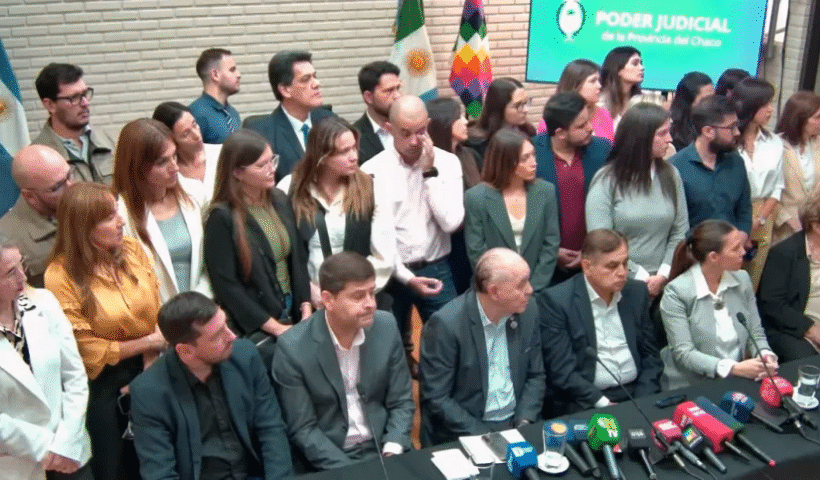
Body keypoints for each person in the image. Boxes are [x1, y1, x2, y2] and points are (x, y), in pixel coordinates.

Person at [44, 182, 166, 480]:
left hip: (155, 364)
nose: (121, 221)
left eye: (117, 211)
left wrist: (150, 362)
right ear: (84, 228)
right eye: (110, 217)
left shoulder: (132, 249)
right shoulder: (59, 275)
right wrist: (150, 342)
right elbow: (86, 350)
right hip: (104, 381)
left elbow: (157, 307)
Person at [272, 251, 414, 471]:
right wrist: (352, 473)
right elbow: (303, 429)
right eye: (358, 296)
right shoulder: (293, 348)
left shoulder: (385, 326)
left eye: (372, 293)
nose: (370, 304)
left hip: (385, 447)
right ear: (328, 300)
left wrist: (393, 448)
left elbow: (402, 401)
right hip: (331, 458)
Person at [130, 292, 294, 480]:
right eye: (218, 335)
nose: (232, 336)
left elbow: (271, 428)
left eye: (226, 324)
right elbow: (160, 473)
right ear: (186, 351)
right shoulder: (149, 392)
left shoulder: (244, 355)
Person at [360, 96, 463, 376]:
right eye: (405, 133)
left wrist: (429, 173)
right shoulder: (371, 171)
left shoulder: (448, 162)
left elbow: (451, 222)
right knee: (388, 350)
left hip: (436, 267)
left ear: (428, 124)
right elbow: (377, 236)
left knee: (451, 340)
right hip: (391, 273)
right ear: (388, 128)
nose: (415, 141)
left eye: (421, 131)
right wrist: (402, 275)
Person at [203, 129, 310, 365]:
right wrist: (275, 328)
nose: (272, 169)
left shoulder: (279, 199)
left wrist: (306, 307)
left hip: (293, 310)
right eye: (262, 165)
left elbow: (297, 258)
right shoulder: (222, 217)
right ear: (237, 172)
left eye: (273, 160)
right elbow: (227, 287)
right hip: (261, 321)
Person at [419, 248, 545, 446]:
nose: (530, 290)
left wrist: (524, 421)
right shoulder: (446, 324)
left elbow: (536, 375)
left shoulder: (529, 310)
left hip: (517, 422)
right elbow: (437, 397)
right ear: (494, 291)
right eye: (521, 284)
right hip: (468, 430)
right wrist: (489, 438)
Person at [540, 230, 662, 414]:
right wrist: (604, 403)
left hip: (637, 394)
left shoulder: (636, 292)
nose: (622, 272)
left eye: (625, 263)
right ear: (587, 267)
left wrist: (642, 400)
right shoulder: (557, 301)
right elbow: (562, 371)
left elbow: (651, 356)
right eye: (612, 266)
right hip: (587, 402)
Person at [278, 117, 395, 308]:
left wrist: (354, 293)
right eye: (344, 151)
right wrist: (306, 290)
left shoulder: (371, 188)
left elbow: (384, 257)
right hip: (312, 300)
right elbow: (283, 253)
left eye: (354, 147)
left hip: (361, 299)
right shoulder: (290, 189)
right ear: (321, 156)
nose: (354, 156)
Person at [0, 236, 92, 480]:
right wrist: (47, 448)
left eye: (21, 264)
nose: (23, 276)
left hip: (70, 454)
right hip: (15, 466)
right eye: (10, 273)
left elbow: (74, 376)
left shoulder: (44, 303)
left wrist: (66, 442)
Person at [660, 220, 777, 390]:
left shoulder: (742, 279)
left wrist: (765, 355)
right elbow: (684, 353)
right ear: (713, 257)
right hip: (692, 385)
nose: (743, 252)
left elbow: (756, 333)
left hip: (737, 379)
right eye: (735, 248)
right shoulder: (676, 292)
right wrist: (733, 368)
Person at [586, 103, 688, 298]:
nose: (670, 139)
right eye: (662, 133)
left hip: (665, 283)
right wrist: (640, 276)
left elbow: (680, 230)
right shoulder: (606, 180)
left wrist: (663, 274)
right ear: (641, 137)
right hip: (619, 282)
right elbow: (600, 239)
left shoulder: (671, 175)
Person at [113, 118, 212, 302]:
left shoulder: (195, 192)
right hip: (156, 313)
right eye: (162, 162)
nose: (175, 167)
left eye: (175, 156)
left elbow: (212, 259)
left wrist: (198, 302)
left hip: (203, 304)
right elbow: (127, 282)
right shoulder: (120, 214)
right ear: (136, 167)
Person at [465, 128, 559, 292]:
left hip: (538, 288)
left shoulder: (546, 191)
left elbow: (551, 244)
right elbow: (477, 251)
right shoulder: (476, 197)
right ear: (505, 162)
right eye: (525, 158)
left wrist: (532, 287)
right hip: (496, 289)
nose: (533, 162)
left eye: (533, 154)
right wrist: (507, 289)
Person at [535, 92, 610, 285]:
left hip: (594, 263)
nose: (590, 128)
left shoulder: (603, 151)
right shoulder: (531, 154)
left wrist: (592, 250)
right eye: (581, 126)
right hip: (544, 268)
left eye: (588, 121)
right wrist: (551, 250)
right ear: (560, 133)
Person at [670, 95, 752, 237]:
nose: (737, 132)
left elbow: (744, 210)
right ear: (708, 131)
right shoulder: (676, 167)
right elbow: (675, 224)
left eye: (737, 126)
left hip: (732, 245)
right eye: (731, 127)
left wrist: (743, 234)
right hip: (693, 247)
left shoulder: (736, 162)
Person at [246, 50, 335, 179]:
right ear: (285, 90)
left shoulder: (330, 120)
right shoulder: (262, 134)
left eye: (315, 76)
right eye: (306, 79)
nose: (317, 83)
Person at [427, 97, 481, 294]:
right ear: (444, 124)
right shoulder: (429, 165)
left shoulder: (470, 155)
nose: (466, 122)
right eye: (459, 117)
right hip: (447, 249)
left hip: (474, 243)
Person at [734, 78, 784, 288]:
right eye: (765, 104)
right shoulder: (729, 141)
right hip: (732, 214)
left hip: (763, 214)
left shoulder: (775, 142)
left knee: (750, 283)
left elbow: (778, 186)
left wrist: (760, 219)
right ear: (749, 105)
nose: (770, 110)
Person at [0, 145, 73, 288]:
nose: (71, 187)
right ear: (30, 196)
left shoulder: (84, 207)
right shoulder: (7, 240)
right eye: (56, 187)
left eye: (70, 175)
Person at [758, 192, 820, 361]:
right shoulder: (784, 253)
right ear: (816, 226)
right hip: (794, 330)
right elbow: (773, 304)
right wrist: (811, 330)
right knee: (809, 363)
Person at [32, 63, 115, 184]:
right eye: (74, 98)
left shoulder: (112, 142)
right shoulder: (37, 159)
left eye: (85, 94)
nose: (85, 103)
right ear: (50, 105)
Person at [153, 101, 222, 206]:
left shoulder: (220, 153)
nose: (196, 135)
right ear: (171, 141)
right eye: (185, 134)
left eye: (194, 125)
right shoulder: (169, 174)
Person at [773, 91, 820, 244]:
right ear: (800, 119)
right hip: (784, 229)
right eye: (817, 118)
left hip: (814, 228)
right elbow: (767, 193)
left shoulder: (818, 145)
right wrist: (787, 219)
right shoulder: (776, 146)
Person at [537, 59, 614, 143]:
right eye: (593, 81)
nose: (599, 86)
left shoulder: (604, 114)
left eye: (599, 81)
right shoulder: (550, 123)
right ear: (575, 85)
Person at [465, 77, 537, 165]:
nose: (526, 110)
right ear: (499, 107)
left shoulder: (528, 132)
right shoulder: (477, 143)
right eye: (518, 105)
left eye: (526, 103)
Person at [353, 61, 402, 164]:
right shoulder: (355, 138)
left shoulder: (411, 127)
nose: (397, 96)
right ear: (368, 97)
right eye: (389, 90)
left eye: (398, 88)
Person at [189, 48, 242, 144]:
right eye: (232, 70)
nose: (238, 75)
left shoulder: (232, 113)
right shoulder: (196, 115)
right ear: (215, 75)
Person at [599, 46, 643, 128]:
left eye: (641, 63)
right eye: (635, 64)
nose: (642, 68)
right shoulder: (600, 103)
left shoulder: (642, 101)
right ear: (618, 69)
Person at [670, 72, 714, 151]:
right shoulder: (670, 132)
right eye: (705, 100)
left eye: (713, 98)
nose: (712, 104)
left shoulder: (717, 124)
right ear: (688, 102)